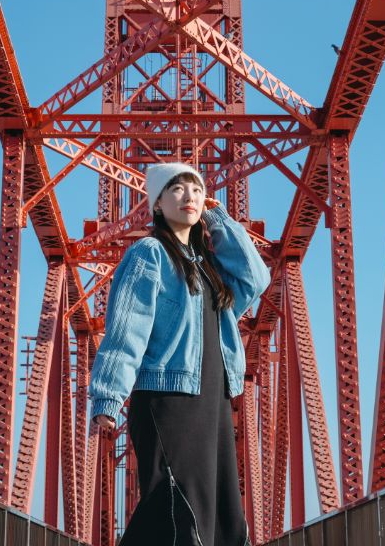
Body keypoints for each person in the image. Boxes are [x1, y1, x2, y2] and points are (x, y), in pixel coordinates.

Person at [89, 162, 271, 546]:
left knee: (221, 516)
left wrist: (218, 217)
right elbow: (127, 328)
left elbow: (257, 278)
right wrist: (108, 396)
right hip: (167, 398)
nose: (188, 195)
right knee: (175, 508)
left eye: (194, 189)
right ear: (156, 204)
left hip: (211, 399)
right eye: (175, 188)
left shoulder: (208, 267)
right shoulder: (149, 254)